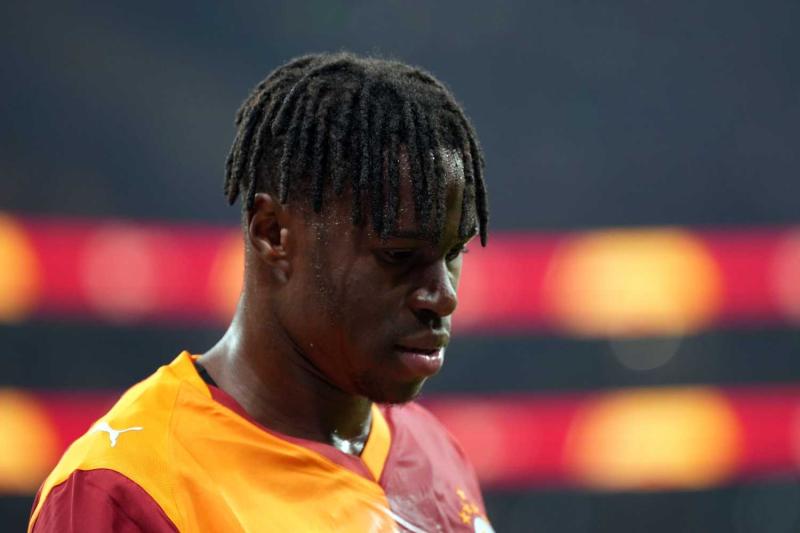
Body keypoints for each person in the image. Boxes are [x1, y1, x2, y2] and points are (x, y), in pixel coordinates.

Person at [28, 52, 493, 533]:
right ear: (273, 234)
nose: (443, 297)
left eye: (453, 252)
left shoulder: (434, 452)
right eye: (398, 255)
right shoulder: (127, 491)